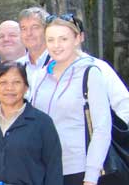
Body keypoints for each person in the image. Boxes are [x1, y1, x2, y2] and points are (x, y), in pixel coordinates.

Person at [30, 15, 111, 185]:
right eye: (50, 40)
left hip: (78, 170)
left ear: (77, 39)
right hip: (44, 170)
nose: (56, 45)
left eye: (63, 39)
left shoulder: (90, 72)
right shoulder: (39, 76)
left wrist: (91, 177)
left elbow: (101, 128)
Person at [0, 61, 63, 184]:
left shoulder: (42, 123)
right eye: (3, 83)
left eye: (16, 82)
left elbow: (54, 169)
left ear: (26, 87)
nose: (9, 88)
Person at [17, 7, 51, 81]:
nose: (29, 33)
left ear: (47, 30)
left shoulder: (60, 62)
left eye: (35, 27)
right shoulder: (17, 67)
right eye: (24, 28)